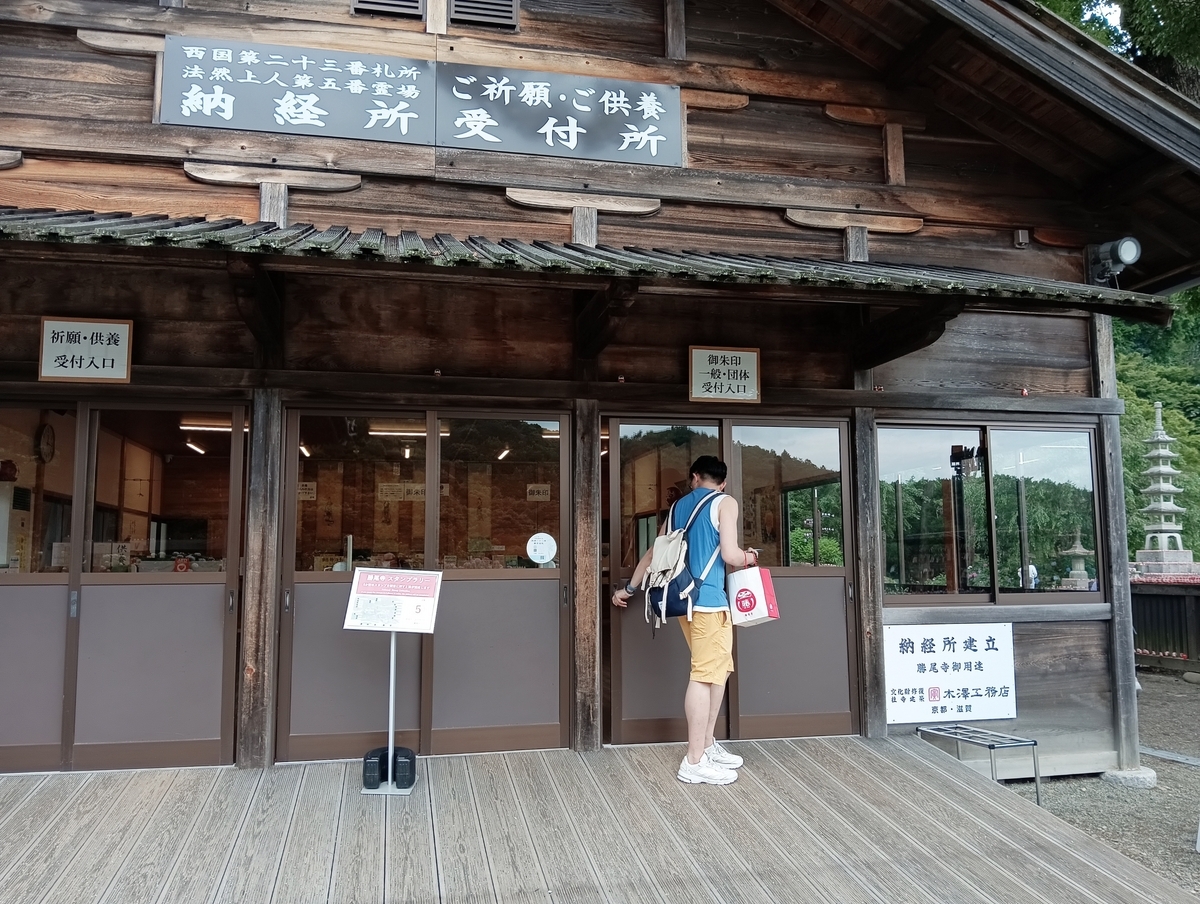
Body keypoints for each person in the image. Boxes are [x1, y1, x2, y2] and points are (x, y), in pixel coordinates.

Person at [611, 455, 759, 785]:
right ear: (722, 483)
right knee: (705, 675)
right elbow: (730, 555)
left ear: (694, 478)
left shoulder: (677, 508)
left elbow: (654, 553)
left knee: (719, 670)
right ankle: (693, 761)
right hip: (709, 603)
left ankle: (706, 743)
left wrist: (630, 588)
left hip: (685, 601)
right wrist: (750, 556)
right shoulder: (725, 502)